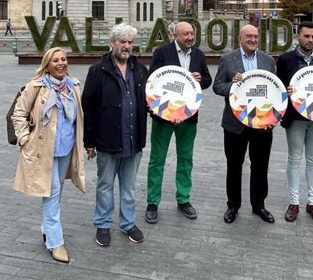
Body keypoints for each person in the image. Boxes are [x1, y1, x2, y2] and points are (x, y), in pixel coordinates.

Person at [11, 47, 86, 263]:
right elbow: (19, 113)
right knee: (51, 191)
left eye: (64, 59)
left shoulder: (74, 85)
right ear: (47, 64)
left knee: (56, 189)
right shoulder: (37, 86)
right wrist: (25, 138)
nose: (61, 63)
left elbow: (79, 117)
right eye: (56, 60)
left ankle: (46, 226)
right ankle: (55, 242)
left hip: (66, 148)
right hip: (43, 151)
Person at [82, 23, 149, 247]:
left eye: (130, 42)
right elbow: (88, 109)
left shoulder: (140, 70)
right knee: (105, 185)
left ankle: (128, 223)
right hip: (107, 141)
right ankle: (102, 224)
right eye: (122, 42)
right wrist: (89, 142)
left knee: (129, 187)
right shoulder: (97, 71)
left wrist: (171, 113)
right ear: (112, 44)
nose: (127, 46)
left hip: (133, 140)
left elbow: (152, 102)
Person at [145, 21, 212, 224]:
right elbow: (152, 82)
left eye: (192, 33)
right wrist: (155, 108)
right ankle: (152, 202)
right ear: (175, 35)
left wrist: (201, 79)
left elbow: (208, 80)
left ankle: (183, 199)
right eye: (185, 34)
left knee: (186, 159)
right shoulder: (162, 53)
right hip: (164, 116)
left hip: (188, 116)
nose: (190, 37)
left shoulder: (198, 55)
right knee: (157, 160)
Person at [213, 24, 277, 224]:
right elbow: (217, 86)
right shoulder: (227, 59)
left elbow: (276, 90)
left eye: (256, 36)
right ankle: (233, 206)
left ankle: (259, 205)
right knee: (234, 166)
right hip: (235, 124)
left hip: (262, 123)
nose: (253, 39)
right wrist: (233, 85)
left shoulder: (268, 60)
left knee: (260, 166)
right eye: (248, 36)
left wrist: (274, 118)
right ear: (239, 38)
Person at [276, 21, 313, 224]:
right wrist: (286, 91)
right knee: (294, 159)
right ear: (297, 37)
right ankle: (294, 202)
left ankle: (312, 202)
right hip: (295, 118)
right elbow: (278, 88)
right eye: (306, 36)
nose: (310, 40)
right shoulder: (285, 59)